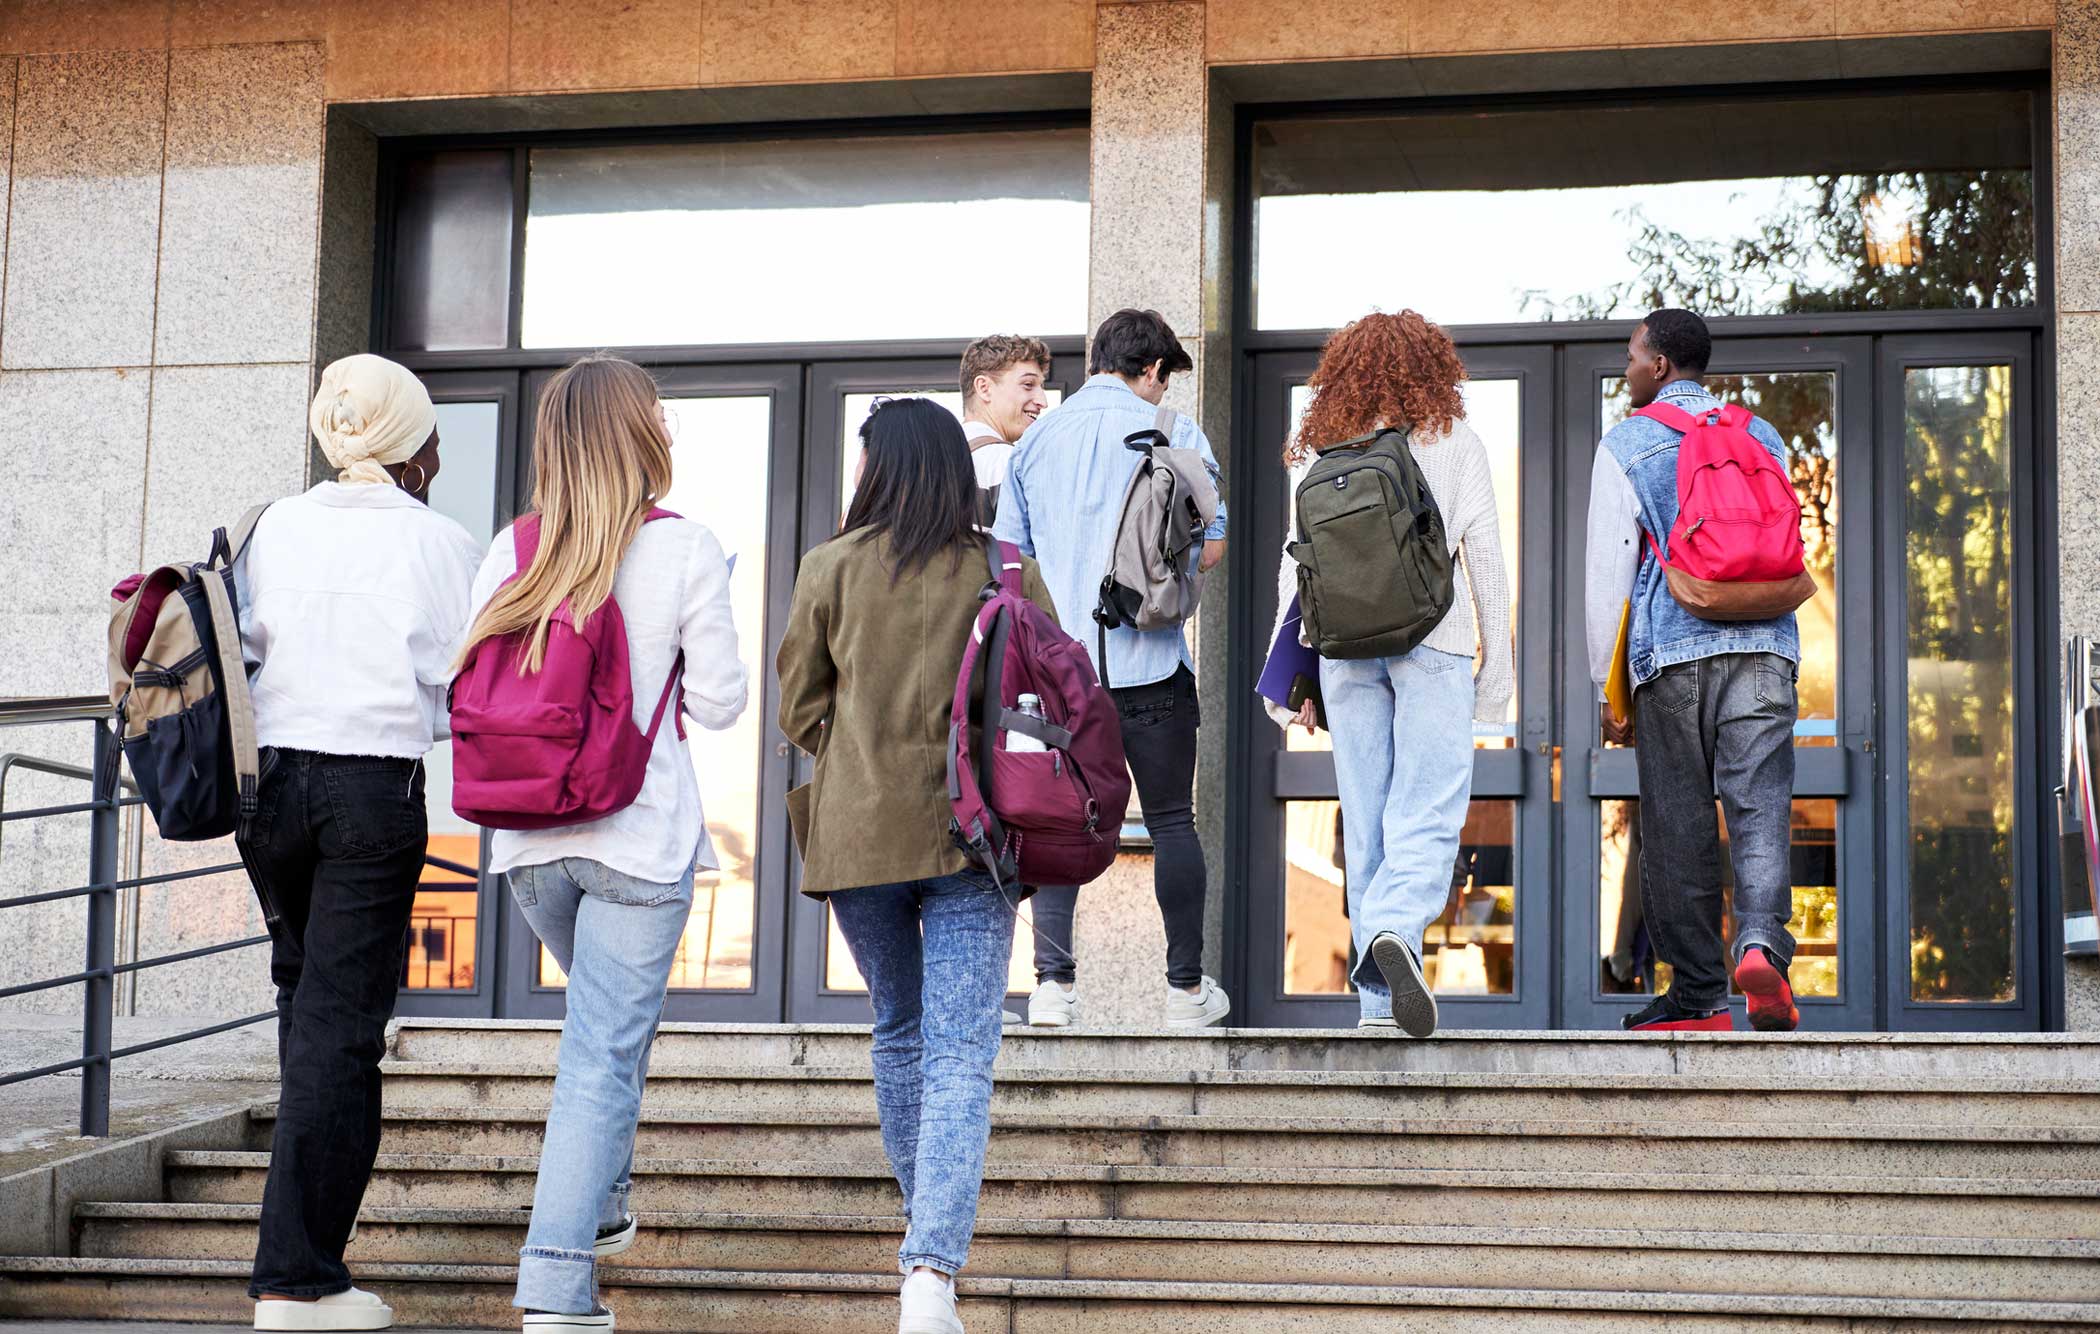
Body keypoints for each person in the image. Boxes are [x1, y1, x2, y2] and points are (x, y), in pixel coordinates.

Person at [460, 354, 748, 1329]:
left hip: (528, 842)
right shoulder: (686, 545)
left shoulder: (513, 548)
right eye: (658, 411)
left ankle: (607, 1200)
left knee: (604, 1041)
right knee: (599, 1051)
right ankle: (554, 1282)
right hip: (635, 838)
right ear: (637, 432)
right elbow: (717, 701)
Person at [778, 397, 1060, 1334]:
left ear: (878, 468)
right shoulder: (1003, 569)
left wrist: (859, 755)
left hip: (856, 838)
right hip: (976, 838)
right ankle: (929, 1274)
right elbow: (1049, 702)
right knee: (960, 1054)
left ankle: (925, 1249)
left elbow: (799, 711)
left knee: (900, 1032)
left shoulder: (828, 568)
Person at [234, 354, 483, 1332]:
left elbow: (246, 650)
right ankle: (296, 1278)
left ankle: (306, 1265)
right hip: (370, 790)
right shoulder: (441, 541)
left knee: (309, 1013)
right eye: (431, 434)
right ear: (407, 443)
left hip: (271, 791)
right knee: (340, 1029)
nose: (439, 452)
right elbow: (465, 683)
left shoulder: (275, 525)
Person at [1268, 311, 1513, 1038]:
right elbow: (1489, 569)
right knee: (1429, 810)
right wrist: (1494, 682)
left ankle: (1377, 1008)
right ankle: (1399, 932)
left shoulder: (1320, 452)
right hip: (1432, 641)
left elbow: (1294, 572)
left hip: (1342, 649)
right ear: (1432, 369)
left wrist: (1290, 684)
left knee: (1369, 820)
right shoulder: (1456, 443)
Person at [993, 308, 1231, 1028]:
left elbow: (1010, 561)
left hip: (1058, 677)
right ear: (1152, 369)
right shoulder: (1177, 433)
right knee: (1170, 822)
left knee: (1057, 820)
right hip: (1152, 666)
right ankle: (1185, 992)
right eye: (1164, 379)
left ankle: (1053, 990)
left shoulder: (1035, 441)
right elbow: (1210, 546)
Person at [1586, 308, 1802, 1033]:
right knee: (1760, 808)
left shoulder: (1627, 442)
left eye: (1631, 358)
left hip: (1673, 653)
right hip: (1767, 645)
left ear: (1659, 366)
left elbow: (1607, 577)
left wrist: (1605, 684)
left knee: (1676, 826)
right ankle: (1763, 948)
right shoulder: (1759, 434)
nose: (1627, 369)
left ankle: (1700, 996)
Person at [958, 334, 1051, 526]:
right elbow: (1011, 550)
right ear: (984, 388)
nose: (1043, 402)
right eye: (1028, 385)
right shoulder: (1008, 463)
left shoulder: (931, 460)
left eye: (1041, 386)